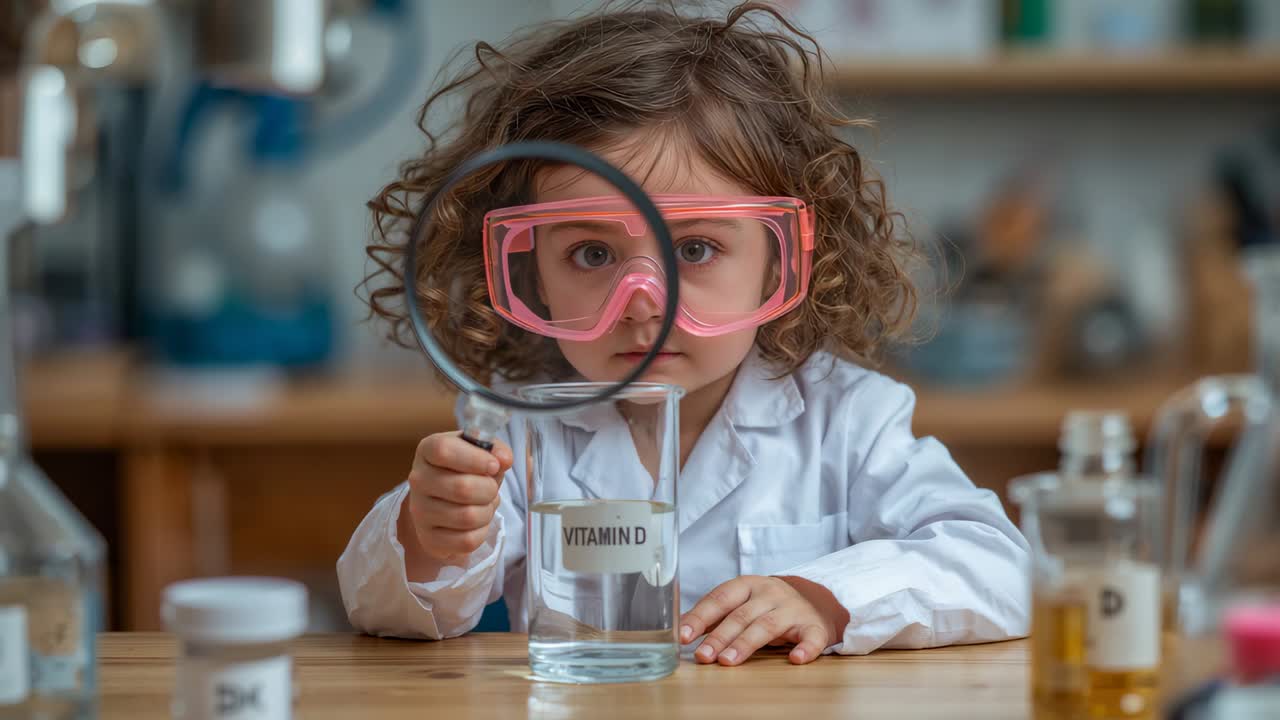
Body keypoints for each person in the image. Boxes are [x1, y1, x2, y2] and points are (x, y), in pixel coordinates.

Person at [338, 1, 1029, 666]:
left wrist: (828, 599)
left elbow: (1001, 568)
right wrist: (427, 537)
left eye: (695, 251)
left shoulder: (850, 420)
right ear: (529, 271)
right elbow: (388, 612)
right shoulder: (519, 430)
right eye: (593, 254)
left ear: (780, 258)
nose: (645, 305)